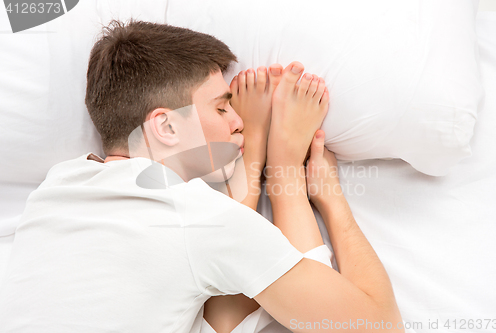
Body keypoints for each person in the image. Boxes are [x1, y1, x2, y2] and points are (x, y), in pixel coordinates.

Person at [0, 20, 404, 333]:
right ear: (167, 127)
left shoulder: (56, 185)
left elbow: (207, 244)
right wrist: (331, 200)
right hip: (218, 236)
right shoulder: (202, 220)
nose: (237, 122)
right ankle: (283, 172)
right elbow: (380, 327)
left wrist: (249, 150)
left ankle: (268, 161)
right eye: (221, 108)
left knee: (223, 287)